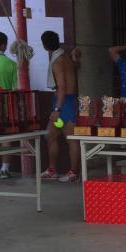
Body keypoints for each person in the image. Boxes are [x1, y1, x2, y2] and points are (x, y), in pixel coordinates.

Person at [39, 31, 81, 182]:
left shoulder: (58, 60)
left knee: (71, 139)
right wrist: (75, 57)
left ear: (44, 45)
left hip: (64, 103)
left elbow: (62, 87)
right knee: (50, 135)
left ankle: (73, 172)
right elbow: (76, 66)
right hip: (64, 101)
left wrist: (57, 109)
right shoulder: (65, 57)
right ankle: (52, 170)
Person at [0, 31, 19, 179]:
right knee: (5, 136)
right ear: (4, 45)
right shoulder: (12, 64)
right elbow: (16, 89)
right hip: (4, 105)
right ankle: (4, 169)